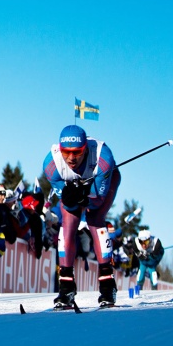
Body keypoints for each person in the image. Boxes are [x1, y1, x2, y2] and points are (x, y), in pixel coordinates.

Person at [43, 124, 121, 308]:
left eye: (77, 152)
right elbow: (68, 203)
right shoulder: (51, 165)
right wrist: (72, 195)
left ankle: (107, 286)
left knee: (95, 219)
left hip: (104, 183)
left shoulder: (104, 159)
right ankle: (66, 287)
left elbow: (97, 202)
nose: (71, 158)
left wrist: (83, 193)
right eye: (66, 152)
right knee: (68, 223)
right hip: (78, 186)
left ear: (85, 149)